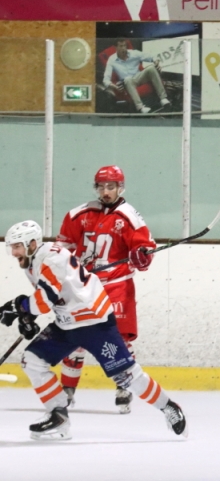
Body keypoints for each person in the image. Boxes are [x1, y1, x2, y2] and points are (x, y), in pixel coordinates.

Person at [0, 220, 186, 440]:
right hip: (66, 322)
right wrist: (26, 316)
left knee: (126, 375)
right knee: (32, 359)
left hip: (93, 323)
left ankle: (168, 406)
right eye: (11, 247)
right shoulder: (33, 261)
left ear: (31, 243)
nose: (13, 252)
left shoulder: (51, 259)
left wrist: (18, 307)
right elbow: (51, 297)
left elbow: (43, 301)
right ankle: (58, 416)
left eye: (17, 246)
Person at [56, 165, 156, 414]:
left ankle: (124, 386)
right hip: (84, 287)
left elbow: (144, 249)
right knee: (76, 338)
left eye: (110, 186)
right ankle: (67, 390)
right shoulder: (79, 214)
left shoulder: (129, 217)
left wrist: (141, 254)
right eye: (101, 187)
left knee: (117, 340)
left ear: (120, 187)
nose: (105, 191)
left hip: (116, 286)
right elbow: (62, 247)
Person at [102, 38, 171, 114]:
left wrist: (156, 61)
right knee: (127, 79)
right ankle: (140, 107)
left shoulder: (134, 53)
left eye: (124, 46)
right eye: (121, 46)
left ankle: (163, 99)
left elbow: (151, 57)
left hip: (139, 77)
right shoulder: (111, 60)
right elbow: (106, 80)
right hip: (127, 82)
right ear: (116, 48)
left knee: (151, 68)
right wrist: (114, 86)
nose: (123, 48)